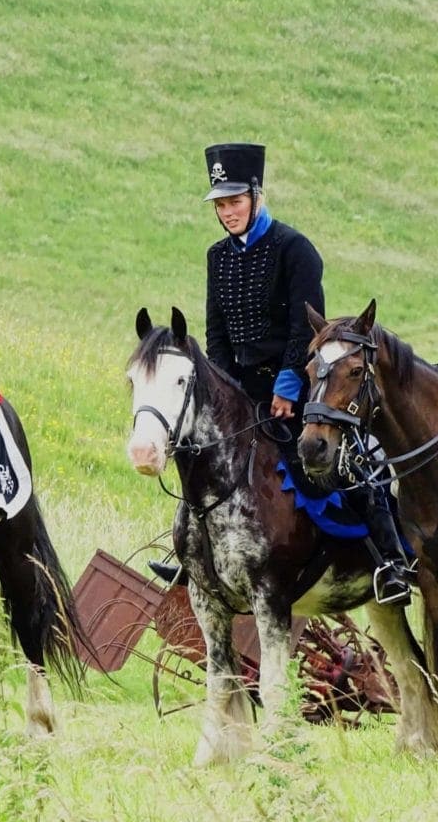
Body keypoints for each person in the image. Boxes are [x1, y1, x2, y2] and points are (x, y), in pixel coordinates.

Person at [148, 143, 412, 605]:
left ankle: (389, 560)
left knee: (344, 464)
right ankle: (194, 556)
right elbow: (216, 331)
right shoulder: (217, 257)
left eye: (234, 202)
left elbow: (307, 326)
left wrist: (289, 384)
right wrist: (223, 392)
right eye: (221, 205)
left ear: (255, 195)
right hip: (238, 389)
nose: (228, 212)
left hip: (300, 385)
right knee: (197, 457)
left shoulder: (296, 249)